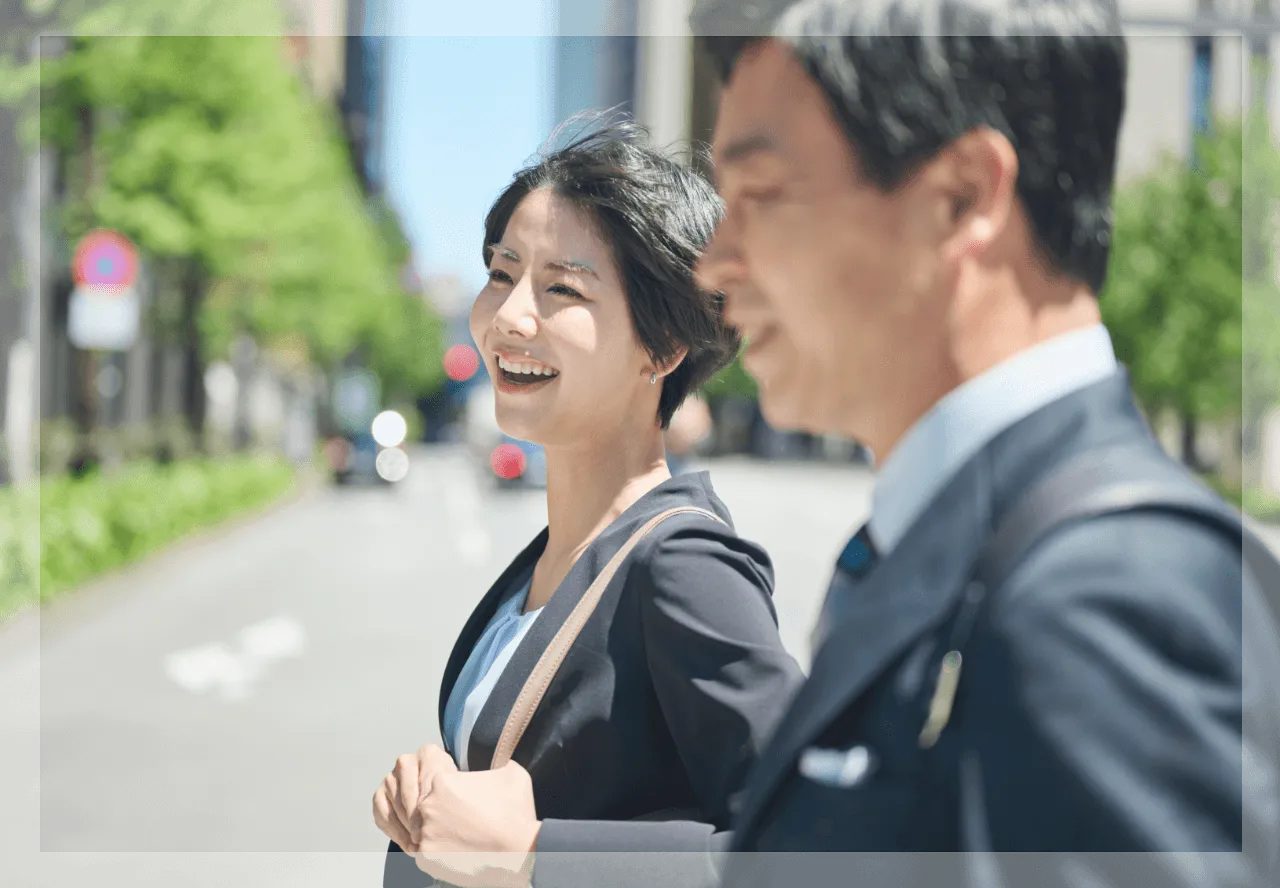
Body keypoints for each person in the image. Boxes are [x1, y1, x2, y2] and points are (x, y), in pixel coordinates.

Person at [687, 1, 1280, 887]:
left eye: (762, 195)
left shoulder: (1105, 600)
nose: (714, 261)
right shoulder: (960, 545)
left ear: (963, 196)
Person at [373, 122, 804, 888]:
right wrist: (435, 800)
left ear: (663, 348)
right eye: (502, 273)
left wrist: (540, 854)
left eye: (562, 288)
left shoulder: (684, 565)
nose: (508, 317)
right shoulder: (552, 556)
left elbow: (815, 845)